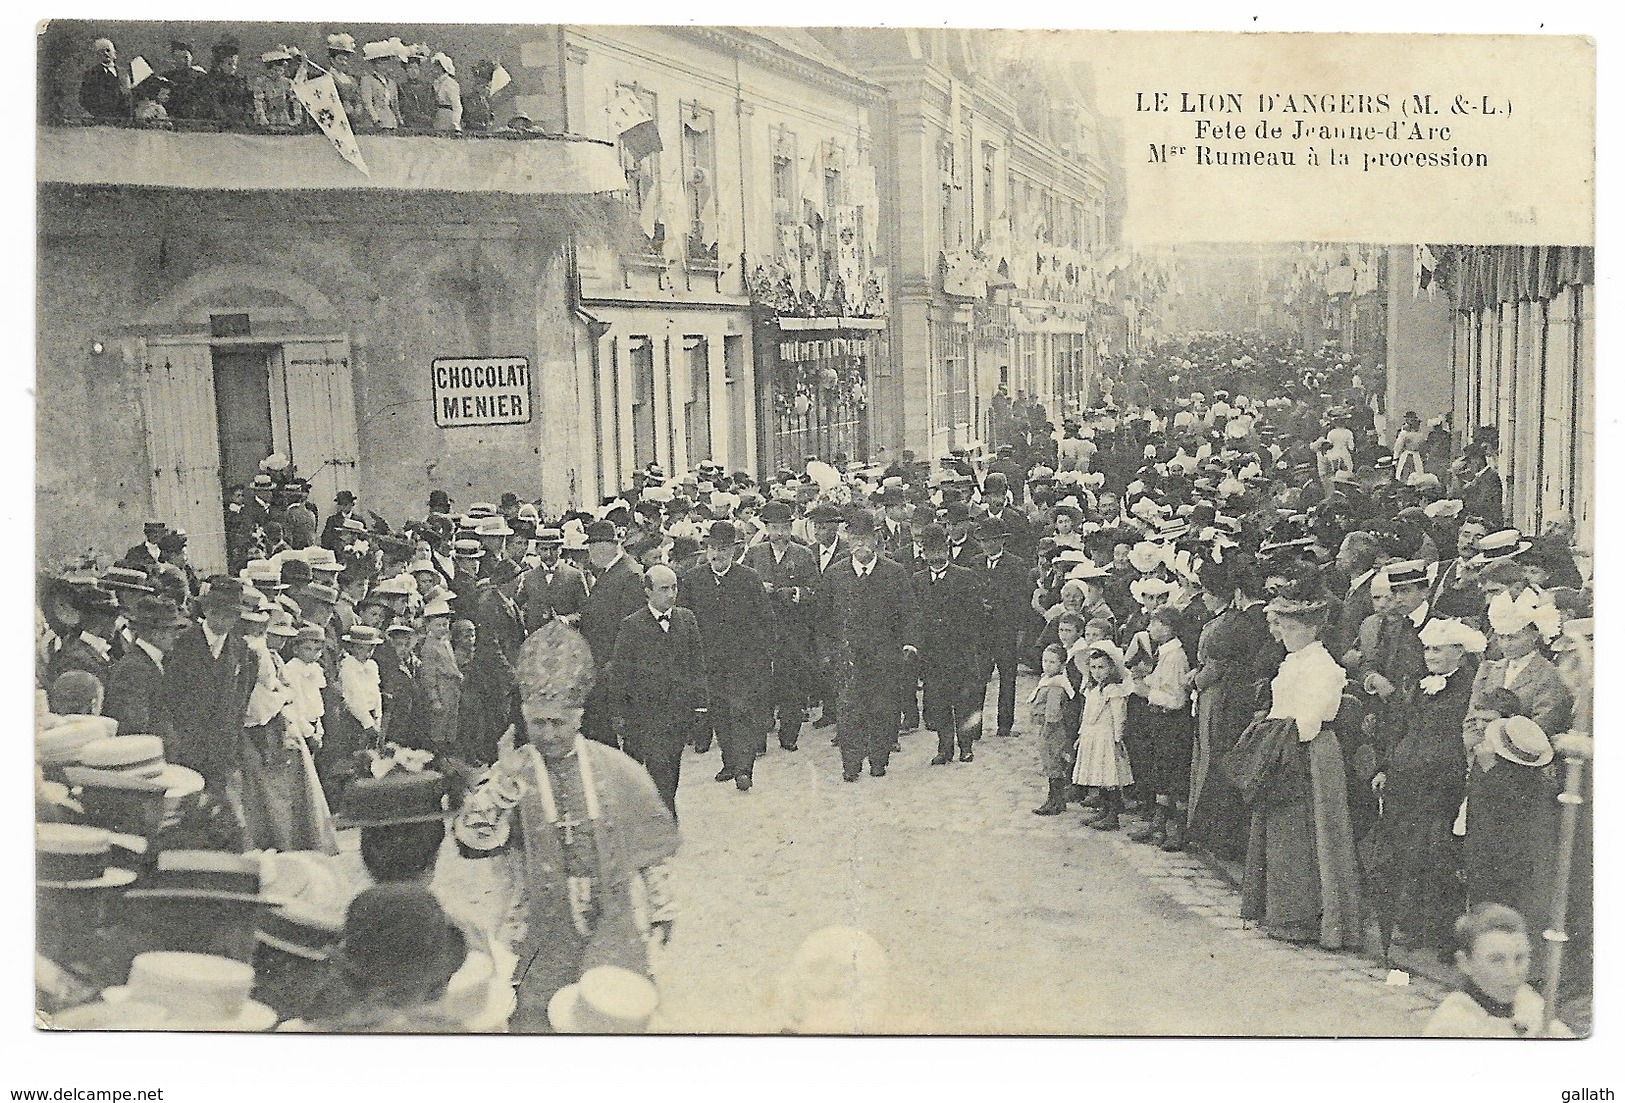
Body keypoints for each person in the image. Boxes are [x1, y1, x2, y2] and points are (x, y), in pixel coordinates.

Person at [451, 619, 680, 1033]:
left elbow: (648, 846)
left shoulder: (615, 768)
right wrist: (503, 784)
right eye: (538, 723)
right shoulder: (514, 769)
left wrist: (661, 903)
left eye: (557, 723)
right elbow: (473, 838)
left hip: (611, 913)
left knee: (610, 1016)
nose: (547, 733)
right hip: (538, 916)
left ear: (579, 717)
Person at [1237, 575, 1364, 949]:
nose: (1281, 635)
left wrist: (1276, 738)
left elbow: (1316, 714)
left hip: (1307, 751)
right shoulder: (1294, 660)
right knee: (1279, 831)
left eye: (1289, 628)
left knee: (1307, 832)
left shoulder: (1323, 666)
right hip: (1284, 745)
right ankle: (1280, 910)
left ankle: (1308, 917)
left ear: (1310, 629)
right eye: (1279, 626)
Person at [605, 564, 708, 815]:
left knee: (672, 767)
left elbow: (697, 664)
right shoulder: (632, 625)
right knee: (658, 768)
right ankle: (666, 819)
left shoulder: (687, 619)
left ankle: (662, 812)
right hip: (646, 716)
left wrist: (701, 705)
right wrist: (619, 714)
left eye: (674, 588)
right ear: (647, 592)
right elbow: (621, 673)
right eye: (664, 589)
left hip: (678, 713)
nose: (671, 594)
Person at [678, 521, 774, 790]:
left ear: (734, 550)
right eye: (711, 548)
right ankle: (730, 762)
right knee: (719, 712)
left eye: (722, 549)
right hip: (708, 661)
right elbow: (683, 621)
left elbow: (767, 620)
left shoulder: (748, 578)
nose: (716, 555)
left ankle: (744, 769)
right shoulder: (693, 580)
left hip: (744, 661)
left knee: (742, 712)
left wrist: (763, 656)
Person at [162, 578, 260, 841]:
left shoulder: (243, 651)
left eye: (232, 614)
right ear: (206, 610)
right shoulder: (182, 644)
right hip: (187, 743)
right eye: (219, 612)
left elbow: (241, 700)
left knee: (220, 812)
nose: (225, 620)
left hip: (222, 747)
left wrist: (234, 739)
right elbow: (170, 696)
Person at [741, 501, 821, 751]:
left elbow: (815, 590)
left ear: (790, 528)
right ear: (765, 528)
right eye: (774, 528)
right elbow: (740, 585)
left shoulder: (804, 554)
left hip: (793, 629)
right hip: (760, 630)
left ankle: (789, 735)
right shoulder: (754, 554)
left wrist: (795, 593)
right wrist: (756, 589)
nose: (779, 534)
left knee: (791, 682)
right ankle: (759, 739)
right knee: (760, 683)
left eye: (784, 528)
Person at [1423, 903, 1572, 1037]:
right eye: (1497, 960)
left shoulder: (1528, 999)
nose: (1512, 972)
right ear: (1465, 963)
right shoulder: (1452, 1027)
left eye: (1520, 958)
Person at [911, 524, 986, 768]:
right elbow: (915, 616)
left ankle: (966, 747)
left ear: (947, 550)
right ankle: (945, 748)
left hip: (960, 652)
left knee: (964, 702)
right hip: (933, 656)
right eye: (930, 551)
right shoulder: (918, 581)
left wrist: (966, 642)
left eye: (940, 550)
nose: (935, 556)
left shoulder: (965, 576)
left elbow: (976, 615)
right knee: (939, 703)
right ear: (923, 553)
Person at [578, 520, 647, 747]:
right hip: (604, 665)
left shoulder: (629, 575)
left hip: (614, 667)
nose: (589, 552)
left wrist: (614, 664)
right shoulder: (612, 572)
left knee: (622, 732)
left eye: (592, 546)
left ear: (606, 546)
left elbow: (631, 627)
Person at [1073, 641, 1135, 829]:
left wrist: (1118, 739)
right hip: (1092, 735)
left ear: (1111, 668)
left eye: (1101, 667)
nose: (1097, 672)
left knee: (1110, 777)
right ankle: (1104, 810)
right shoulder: (1091, 689)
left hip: (1106, 737)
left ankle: (1113, 815)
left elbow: (1119, 717)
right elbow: (1086, 715)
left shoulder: (1113, 690)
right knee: (1098, 775)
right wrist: (1081, 735)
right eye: (1093, 668)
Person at [1029, 644, 1077, 815]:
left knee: (1053, 763)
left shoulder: (1056, 685)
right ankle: (1054, 799)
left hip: (1052, 730)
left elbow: (1053, 712)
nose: (1047, 665)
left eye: (1052, 662)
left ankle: (1056, 801)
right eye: (1045, 661)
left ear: (1062, 665)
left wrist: (1046, 731)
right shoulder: (1047, 680)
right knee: (1051, 764)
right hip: (1047, 727)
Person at [79, 38, 129, 120]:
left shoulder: (123, 73)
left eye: (108, 50)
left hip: (122, 119)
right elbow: (84, 98)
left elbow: (128, 95)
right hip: (101, 118)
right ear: (96, 55)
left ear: (114, 53)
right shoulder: (91, 74)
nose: (105, 53)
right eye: (101, 52)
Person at [359, 40, 401, 131]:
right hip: (376, 122)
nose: (384, 65)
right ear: (374, 64)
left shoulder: (391, 83)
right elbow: (367, 103)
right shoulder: (367, 80)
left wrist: (399, 119)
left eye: (386, 62)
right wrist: (376, 119)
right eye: (381, 62)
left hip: (391, 121)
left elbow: (395, 105)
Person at [430, 52, 462, 131]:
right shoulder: (436, 83)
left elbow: (456, 104)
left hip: (447, 115)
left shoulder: (450, 83)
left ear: (441, 68)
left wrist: (455, 122)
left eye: (436, 67)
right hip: (437, 115)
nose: (433, 69)